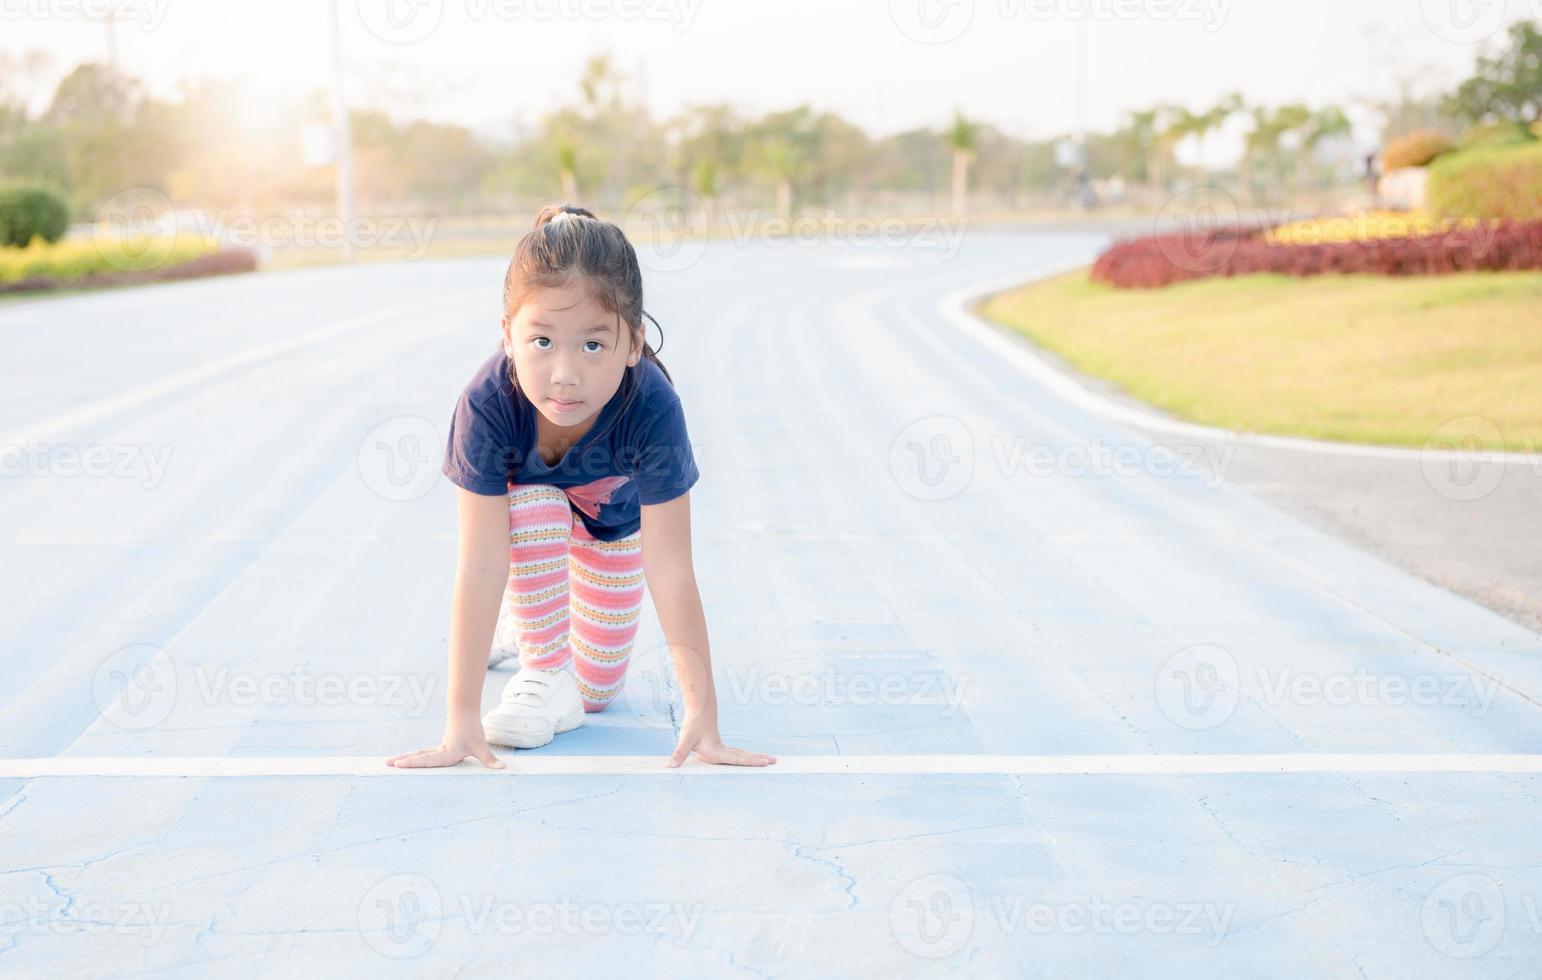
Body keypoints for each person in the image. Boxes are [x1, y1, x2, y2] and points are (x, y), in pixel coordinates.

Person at [386, 204, 776, 770]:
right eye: (541, 341)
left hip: (609, 532)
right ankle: (539, 657)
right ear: (508, 335)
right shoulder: (487, 405)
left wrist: (703, 714)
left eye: (593, 345)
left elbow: (668, 567)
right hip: (526, 531)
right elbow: (480, 564)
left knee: (593, 694)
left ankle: (527, 628)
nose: (565, 373)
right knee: (537, 500)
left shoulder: (652, 407)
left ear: (633, 345)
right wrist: (461, 721)